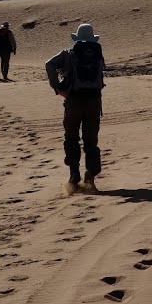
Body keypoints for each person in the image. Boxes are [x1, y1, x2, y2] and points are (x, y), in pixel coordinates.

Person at [45, 23, 106, 192]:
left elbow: (49, 65)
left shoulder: (68, 54)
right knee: (91, 142)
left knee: (71, 138)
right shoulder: (98, 55)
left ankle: (73, 176)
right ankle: (90, 177)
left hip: (74, 101)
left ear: (78, 38)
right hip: (93, 102)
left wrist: (58, 88)